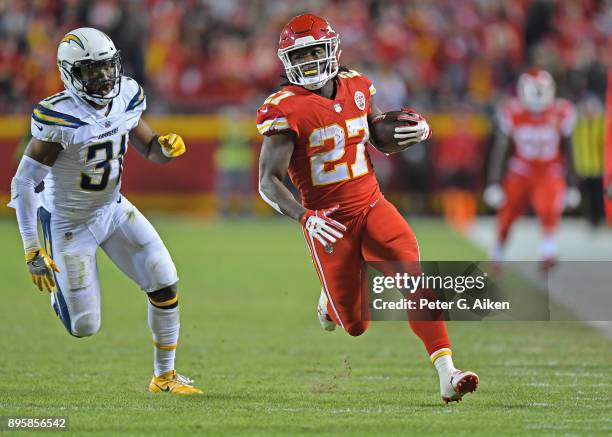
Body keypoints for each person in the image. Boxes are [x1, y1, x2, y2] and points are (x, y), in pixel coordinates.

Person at [257, 13, 478, 404]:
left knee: (416, 279)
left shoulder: (356, 85)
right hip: (329, 223)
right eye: (301, 56)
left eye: (314, 53)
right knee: (356, 325)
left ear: (331, 51)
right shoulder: (285, 107)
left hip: (372, 204)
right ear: (288, 61)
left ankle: (448, 373)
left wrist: (412, 131)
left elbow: (377, 136)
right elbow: (267, 181)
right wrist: (304, 217)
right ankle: (330, 300)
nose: (309, 63)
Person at [9, 27, 202, 394]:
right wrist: (32, 247)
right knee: (84, 326)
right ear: (70, 74)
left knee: (164, 277)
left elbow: (149, 148)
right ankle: (61, 294)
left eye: (106, 67)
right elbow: (22, 183)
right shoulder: (60, 119)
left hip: (112, 210)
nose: (103, 78)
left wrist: (164, 147)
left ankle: (164, 377)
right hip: (68, 224)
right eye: (91, 71)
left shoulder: (127, 95)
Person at [485, 69, 579, 271]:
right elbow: (501, 149)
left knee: (549, 209)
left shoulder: (560, 111)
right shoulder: (513, 112)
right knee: (508, 213)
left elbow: (570, 149)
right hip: (521, 171)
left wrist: (572, 184)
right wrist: (494, 182)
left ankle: (548, 252)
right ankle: (498, 253)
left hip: (549, 171)